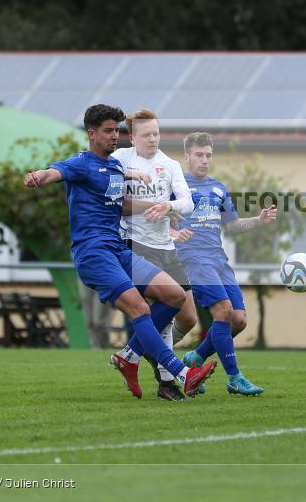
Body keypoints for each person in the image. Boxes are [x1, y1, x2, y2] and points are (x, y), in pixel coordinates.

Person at [23, 104, 216, 399]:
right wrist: (38, 175)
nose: (115, 136)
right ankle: (182, 374)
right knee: (139, 308)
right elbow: (55, 172)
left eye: (117, 131)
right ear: (91, 134)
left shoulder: (115, 166)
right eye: (108, 131)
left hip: (117, 249)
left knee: (175, 296)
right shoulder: (81, 163)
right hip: (94, 253)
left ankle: (129, 357)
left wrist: (159, 209)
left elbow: (120, 205)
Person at [175, 132, 276, 396]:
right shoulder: (176, 185)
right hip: (194, 257)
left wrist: (259, 219)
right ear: (186, 156)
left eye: (208, 155)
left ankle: (194, 359)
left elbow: (231, 227)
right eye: (199, 155)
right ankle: (234, 377)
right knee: (223, 312)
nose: (204, 160)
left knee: (239, 320)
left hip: (219, 258)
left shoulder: (218, 187)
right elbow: (161, 219)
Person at [112, 108, 197, 401]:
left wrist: (168, 207)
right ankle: (167, 383)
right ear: (132, 137)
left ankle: (132, 351)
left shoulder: (169, 164)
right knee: (163, 308)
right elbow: (111, 197)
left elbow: (188, 202)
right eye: (146, 134)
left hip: (166, 247)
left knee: (188, 318)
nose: (152, 139)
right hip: (135, 244)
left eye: (156, 133)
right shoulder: (121, 159)